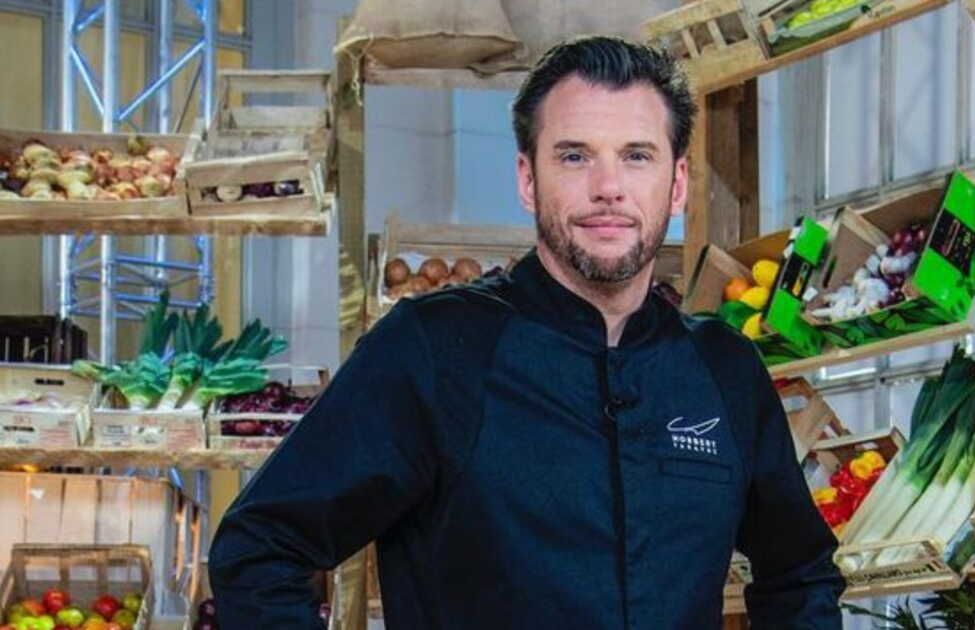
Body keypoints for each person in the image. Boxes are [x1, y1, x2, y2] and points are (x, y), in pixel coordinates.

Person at [209, 35, 844, 629]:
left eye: (636, 156)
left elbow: (800, 573)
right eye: (574, 156)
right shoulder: (434, 349)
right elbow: (260, 547)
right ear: (527, 179)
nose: (608, 188)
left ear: (676, 184)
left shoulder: (723, 369)